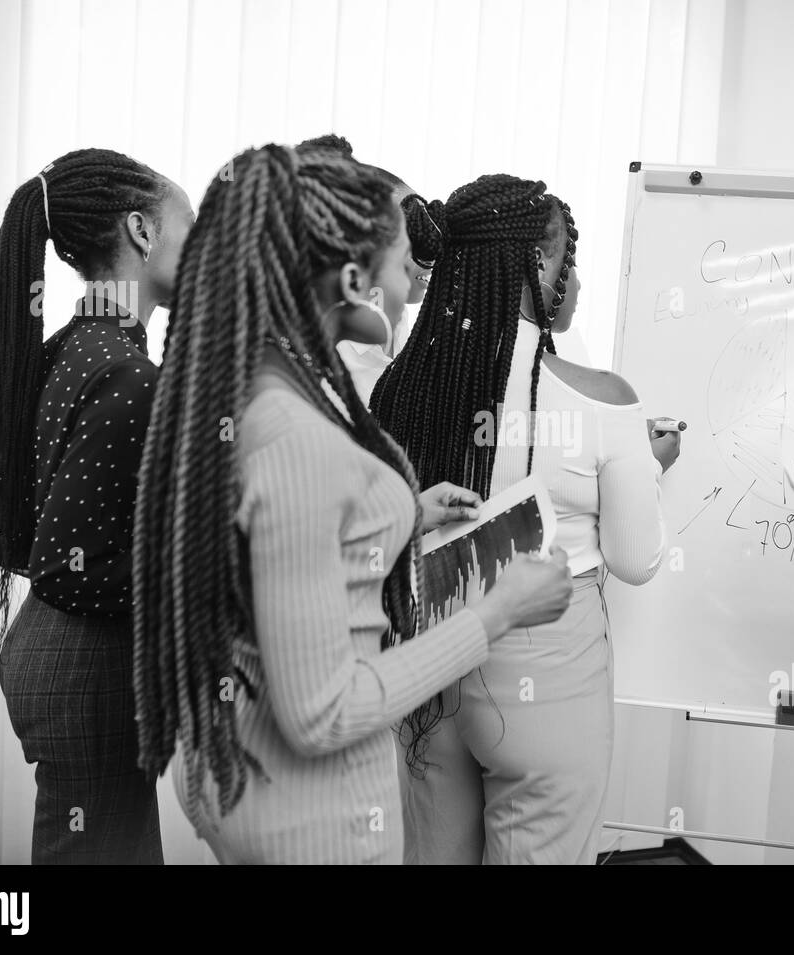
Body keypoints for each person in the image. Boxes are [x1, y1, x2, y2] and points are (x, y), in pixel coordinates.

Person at [131, 145, 573, 864]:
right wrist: (497, 613)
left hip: (256, 782)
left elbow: (284, 548)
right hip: (314, 815)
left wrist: (404, 515)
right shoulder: (296, 435)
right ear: (353, 278)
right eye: (404, 268)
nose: (413, 291)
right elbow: (323, 712)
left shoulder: (261, 381)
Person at [371, 174, 676, 864]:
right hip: (548, 673)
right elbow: (636, 559)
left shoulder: (402, 390)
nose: (574, 279)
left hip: (430, 664)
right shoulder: (603, 400)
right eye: (569, 260)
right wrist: (648, 464)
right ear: (538, 265)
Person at [0, 147, 194, 863]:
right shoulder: (126, 373)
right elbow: (66, 567)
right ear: (141, 231)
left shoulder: (78, 345)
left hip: (66, 657)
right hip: (85, 672)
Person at [297, 134, 430, 404]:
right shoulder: (318, 359)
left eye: (427, 223)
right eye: (411, 230)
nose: (429, 246)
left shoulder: (408, 329)